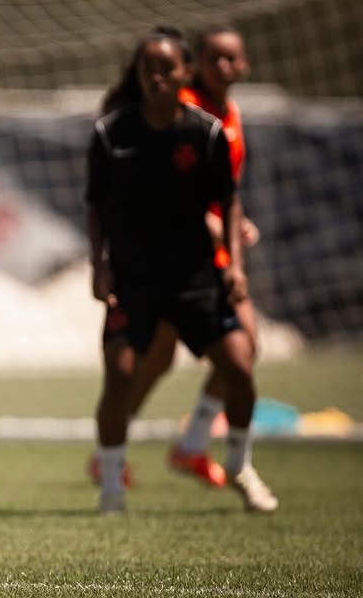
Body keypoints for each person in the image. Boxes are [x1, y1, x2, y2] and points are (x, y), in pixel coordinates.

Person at [86, 26, 277, 514]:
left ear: (183, 72)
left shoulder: (206, 131)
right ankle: (111, 485)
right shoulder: (112, 133)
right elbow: (96, 206)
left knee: (240, 362)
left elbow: (228, 202)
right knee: (121, 376)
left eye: (166, 68)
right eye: (147, 68)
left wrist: (234, 266)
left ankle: (237, 462)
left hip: (196, 278)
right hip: (134, 279)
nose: (156, 77)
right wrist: (99, 266)